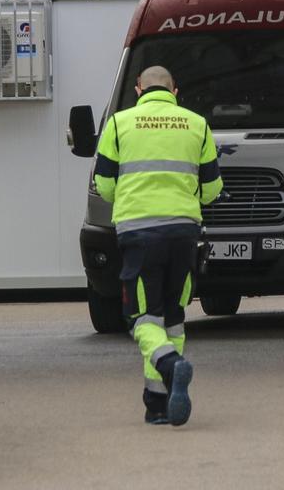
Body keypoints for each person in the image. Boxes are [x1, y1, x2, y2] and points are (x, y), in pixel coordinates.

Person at [93, 65, 223, 426]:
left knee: (141, 317)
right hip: (184, 232)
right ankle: (158, 403)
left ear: (138, 90)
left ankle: (170, 365)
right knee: (173, 316)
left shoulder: (118, 125)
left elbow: (104, 185)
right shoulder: (197, 124)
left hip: (138, 232)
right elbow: (212, 190)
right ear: (175, 91)